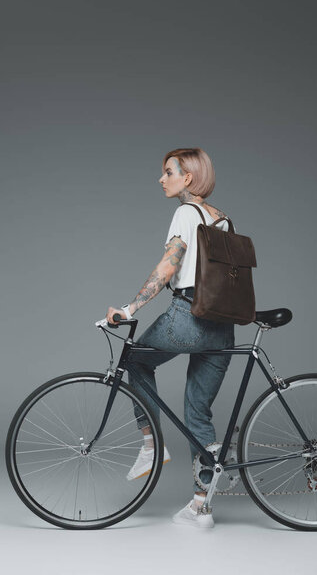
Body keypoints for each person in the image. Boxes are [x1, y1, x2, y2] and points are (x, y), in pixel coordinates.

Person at [105, 147, 234, 528]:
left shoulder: (185, 213)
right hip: (222, 325)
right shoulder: (222, 220)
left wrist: (129, 309)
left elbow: (168, 266)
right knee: (198, 411)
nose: (162, 179)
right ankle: (201, 506)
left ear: (188, 178)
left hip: (189, 317)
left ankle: (151, 445)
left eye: (168, 172)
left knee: (136, 360)